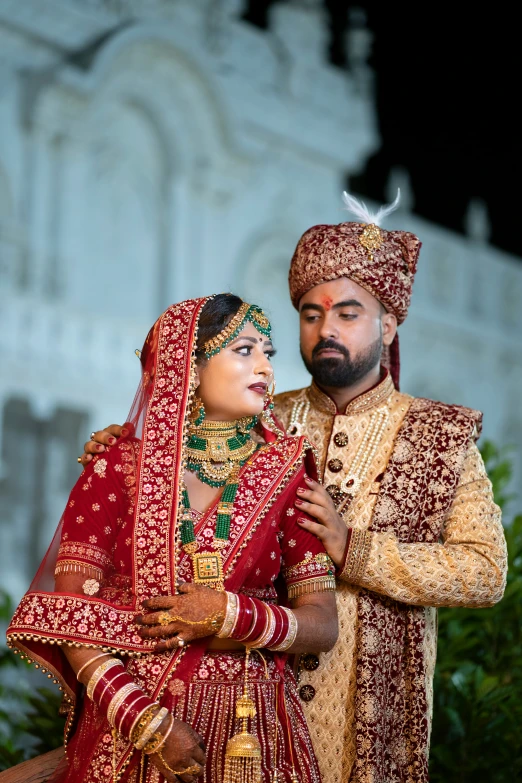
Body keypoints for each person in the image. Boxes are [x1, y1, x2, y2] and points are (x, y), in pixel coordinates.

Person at [82, 194, 508, 783]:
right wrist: (126, 445)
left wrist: (352, 549)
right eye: (310, 315)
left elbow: (484, 571)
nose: (325, 329)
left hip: (372, 716)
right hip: (241, 712)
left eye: (348, 313)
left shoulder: (442, 436)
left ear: (389, 322)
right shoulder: (254, 416)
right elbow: (171, 453)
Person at [7, 294, 338, 783]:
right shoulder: (115, 465)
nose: (266, 366)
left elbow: (321, 623)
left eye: (269, 352)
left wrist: (229, 613)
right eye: (244, 350)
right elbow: (73, 616)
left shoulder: (288, 471)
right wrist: (150, 725)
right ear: (189, 364)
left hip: (251, 724)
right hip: (131, 719)